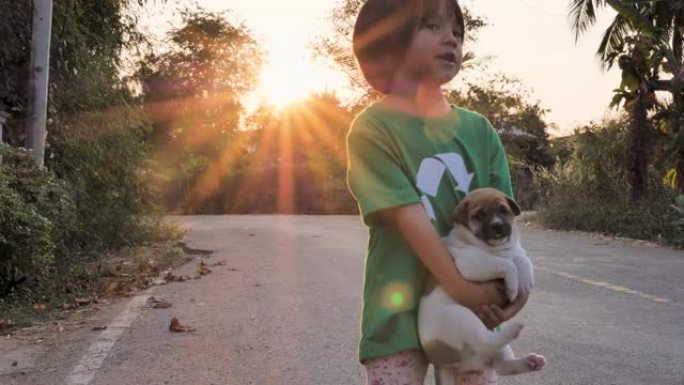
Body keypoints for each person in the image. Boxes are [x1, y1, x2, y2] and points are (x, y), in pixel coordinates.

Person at [346, 0, 529, 384]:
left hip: (470, 318)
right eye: (431, 26)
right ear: (385, 40)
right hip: (397, 313)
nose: (451, 38)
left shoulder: (479, 131)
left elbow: (506, 229)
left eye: (458, 32)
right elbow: (410, 219)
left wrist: (516, 295)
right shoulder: (373, 129)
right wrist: (461, 288)